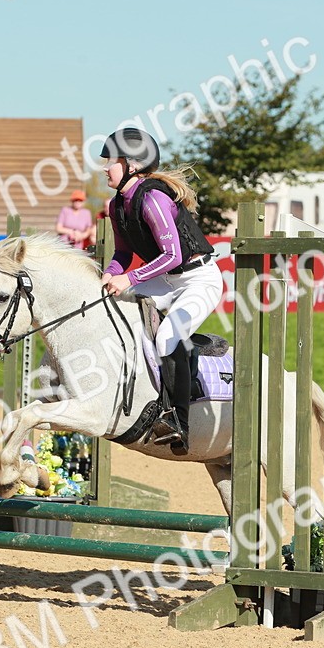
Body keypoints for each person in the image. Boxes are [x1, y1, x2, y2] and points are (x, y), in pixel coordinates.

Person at [98, 127, 220, 455]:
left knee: (167, 336)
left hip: (199, 280)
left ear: (133, 166)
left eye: (111, 161)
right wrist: (108, 277)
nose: (105, 167)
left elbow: (173, 255)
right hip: (165, 280)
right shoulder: (116, 206)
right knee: (109, 305)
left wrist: (129, 279)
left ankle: (178, 422)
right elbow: (122, 254)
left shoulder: (153, 198)